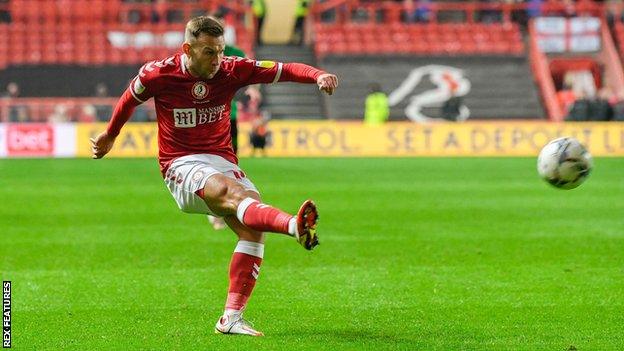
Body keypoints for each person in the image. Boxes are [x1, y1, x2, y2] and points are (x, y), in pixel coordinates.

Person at [90, 15, 338, 337]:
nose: (217, 59)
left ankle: (231, 318)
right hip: (180, 163)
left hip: (221, 160)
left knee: (251, 229)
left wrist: (318, 74)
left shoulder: (232, 69)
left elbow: (284, 69)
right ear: (187, 49)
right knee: (232, 194)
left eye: (220, 50)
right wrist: (110, 135)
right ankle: (293, 225)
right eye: (209, 52)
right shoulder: (158, 74)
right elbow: (129, 99)